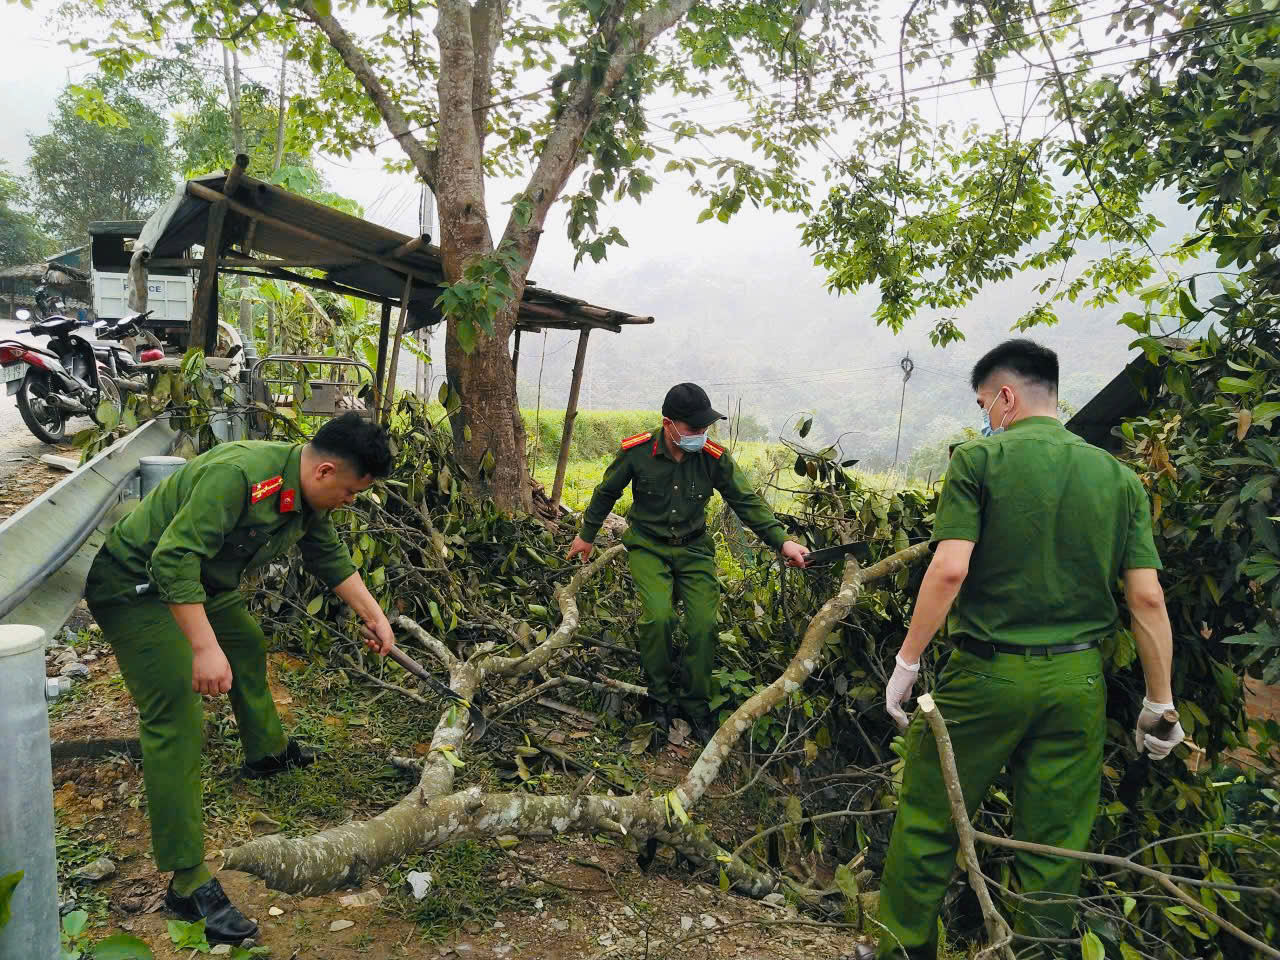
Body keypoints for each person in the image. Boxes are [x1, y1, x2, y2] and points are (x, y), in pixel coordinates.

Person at [849, 340, 1184, 960]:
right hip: (1078, 684)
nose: (985, 416)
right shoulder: (1118, 478)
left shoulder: (979, 460)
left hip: (987, 677)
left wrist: (907, 663)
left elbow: (949, 570)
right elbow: (1147, 600)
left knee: (929, 821)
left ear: (1005, 396)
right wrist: (1158, 702)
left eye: (984, 403)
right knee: (1053, 846)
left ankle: (901, 950)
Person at [84, 413, 396, 944]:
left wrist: (374, 614)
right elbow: (173, 558)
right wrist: (203, 649)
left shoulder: (302, 487)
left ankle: (266, 753)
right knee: (177, 714)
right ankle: (187, 884)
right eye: (350, 492)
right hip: (138, 584)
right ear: (324, 471)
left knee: (247, 645)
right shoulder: (240, 477)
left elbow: (326, 554)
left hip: (199, 582)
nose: (350, 501)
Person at [567, 382, 809, 743]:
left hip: (695, 549)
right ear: (668, 423)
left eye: (705, 427)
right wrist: (586, 534)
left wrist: (782, 540)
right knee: (659, 617)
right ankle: (660, 700)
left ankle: (696, 705)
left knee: (702, 624)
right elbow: (607, 491)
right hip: (648, 546)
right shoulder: (636, 451)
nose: (701, 434)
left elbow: (746, 501)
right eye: (694, 428)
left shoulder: (712, 457)